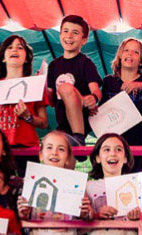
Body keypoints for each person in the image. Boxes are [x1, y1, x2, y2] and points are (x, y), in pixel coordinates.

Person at [0, 35, 48, 148]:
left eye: (20, 47)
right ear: (3, 57)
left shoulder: (36, 85)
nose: (14, 49)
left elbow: (43, 123)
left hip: (28, 148)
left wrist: (28, 116)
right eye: (9, 47)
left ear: (27, 57)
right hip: (1, 149)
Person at [101, 38, 142, 172]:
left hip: (140, 144)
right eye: (126, 50)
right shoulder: (108, 81)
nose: (130, 54)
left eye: (135, 52)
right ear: (120, 56)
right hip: (115, 146)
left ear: (141, 60)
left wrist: (137, 85)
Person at [47, 15, 102, 147]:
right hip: (62, 124)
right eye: (65, 31)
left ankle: (79, 137)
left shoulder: (85, 63)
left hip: (81, 121)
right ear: (60, 35)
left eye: (75, 32)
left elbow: (96, 90)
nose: (69, 35)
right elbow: (51, 102)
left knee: (65, 88)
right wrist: (41, 87)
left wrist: (93, 98)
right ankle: (74, 143)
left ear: (84, 40)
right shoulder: (53, 65)